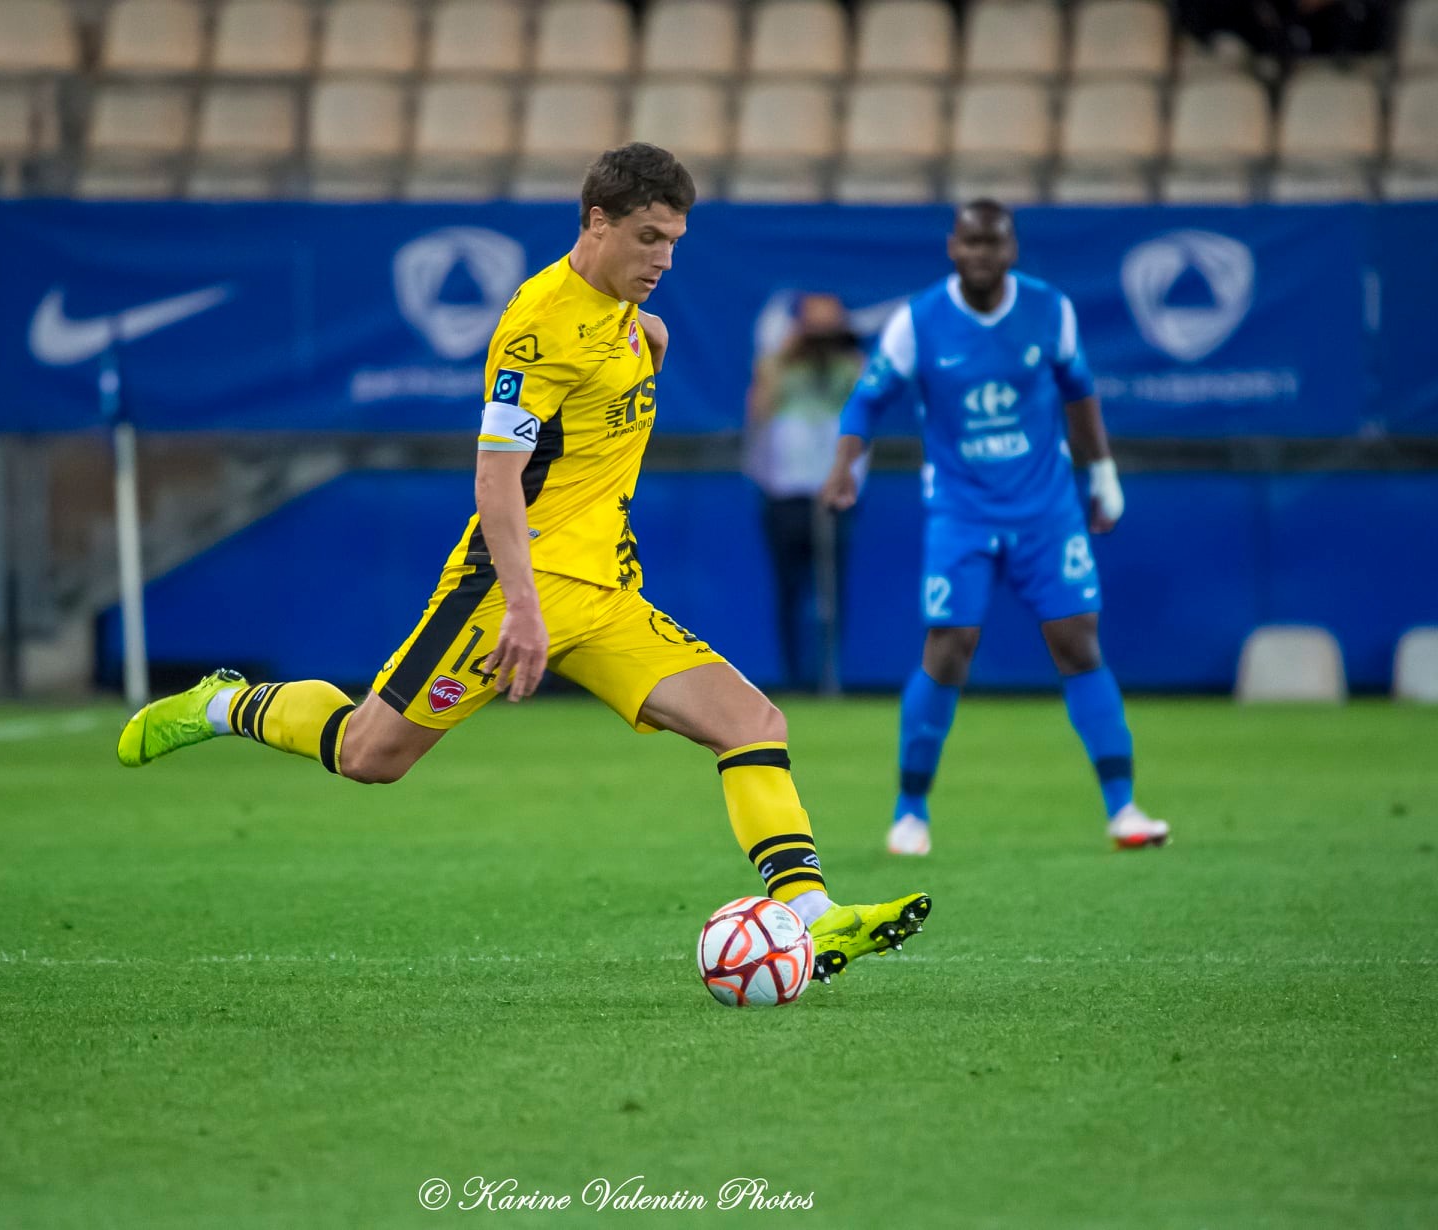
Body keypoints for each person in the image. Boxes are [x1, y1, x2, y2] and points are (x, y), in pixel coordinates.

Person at [118, 144, 928, 981]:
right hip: (512, 589)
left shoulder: (632, 318)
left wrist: (641, 340)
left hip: (606, 593)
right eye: (649, 238)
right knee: (369, 755)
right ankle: (225, 704)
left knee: (753, 724)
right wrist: (523, 606)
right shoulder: (540, 328)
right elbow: (495, 477)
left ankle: (812, 917)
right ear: (597, 222)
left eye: (675, 242)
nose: (664, 260)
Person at [820, 199, 1171, 857]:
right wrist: (845, 467)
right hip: (961, 512)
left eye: (994, 244)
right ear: (952, 247)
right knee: (948, 648)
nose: (982, 254)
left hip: (1046, 510)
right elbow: (867, 399)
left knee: (1078, 643)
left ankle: (1124, 808)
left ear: (1012, 249)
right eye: (971, 243)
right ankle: (910, 811)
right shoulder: (919, 320)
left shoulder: (1049, 310)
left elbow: (1080, 394)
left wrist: (1103, 475)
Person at [745, 292, 862, 692]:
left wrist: (845, 348)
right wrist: (785, 354)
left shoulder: (850, 367)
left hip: (834, 491)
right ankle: (794, 678)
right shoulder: (777, 365)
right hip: (785, 492)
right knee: (789, 588)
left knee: (833, 589)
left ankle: (829, 676)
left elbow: (868, 403)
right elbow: (758, 413)